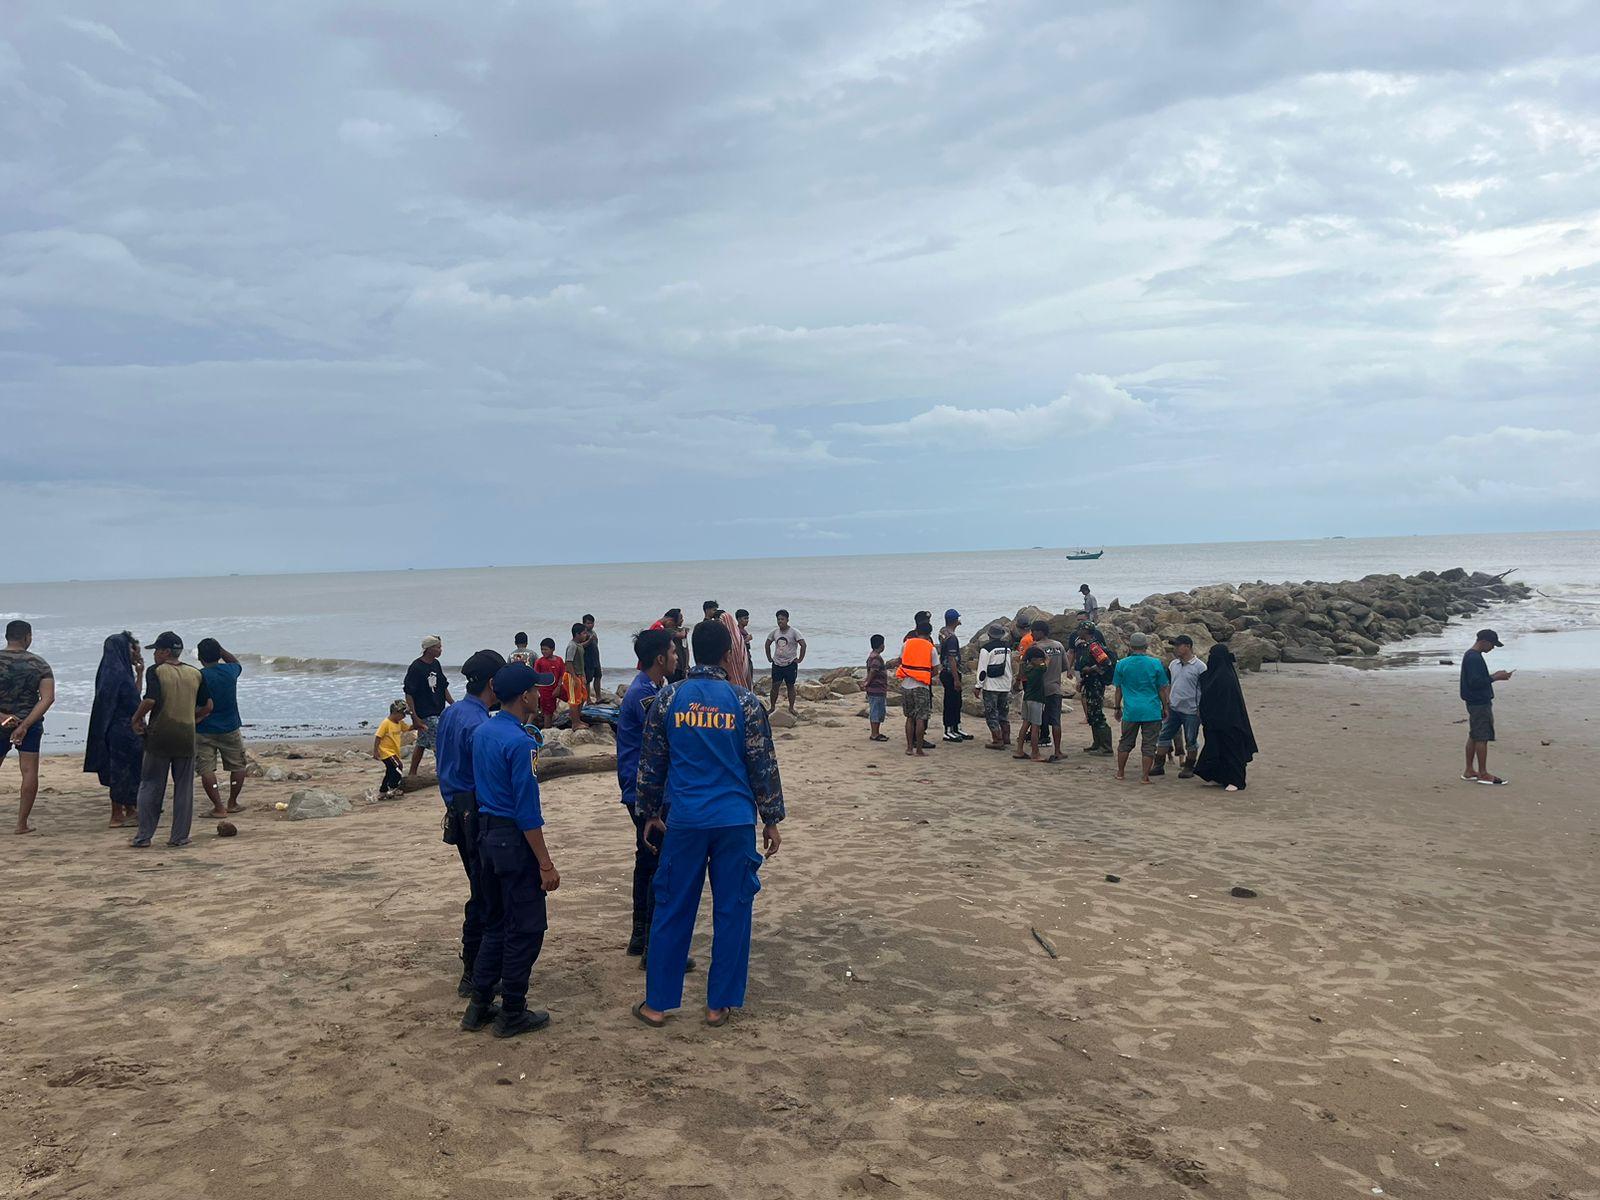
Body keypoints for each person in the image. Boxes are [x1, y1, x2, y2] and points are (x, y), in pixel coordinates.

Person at [632, 619, 784, 1030]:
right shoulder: (746, 702)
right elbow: (762, 764)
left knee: (672, 908)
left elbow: (651, 764)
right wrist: (771, 819)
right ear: (727, 654)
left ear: (692, 652)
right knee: (733, 909)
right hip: (734, 820)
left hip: (686, 820)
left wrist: (648, 812)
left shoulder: (667, 700)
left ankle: (658, 1005)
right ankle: (718, 1005)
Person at [460, 663, 561, 1039]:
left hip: (485, 836)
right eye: (536, 690)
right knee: (527, 928)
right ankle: (513, 1010)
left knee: (497, 924)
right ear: (524, 697)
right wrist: (545, 863)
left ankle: (480, 1003)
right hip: (511, 839)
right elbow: (526, 811)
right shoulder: (521, 742)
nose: (540, 695)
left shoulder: (484, 731)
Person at [616, 627, 695, 970]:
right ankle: (653, 947)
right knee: (660, 867)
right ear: (660, 659)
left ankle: (639, 937)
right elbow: (666, 740)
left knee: (646, 862)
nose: (678, 658)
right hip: (649, 791)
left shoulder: (651, 689)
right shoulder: (646, 696)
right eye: (674, 653)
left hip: (642, 788)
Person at [436, 649, 508, 995]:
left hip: (455, 808)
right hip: (474, 813)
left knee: (479, 888)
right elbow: (487, 777)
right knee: (485, 892)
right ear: (494, 683)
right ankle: (475, 973)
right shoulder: (479, 724)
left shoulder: (452, 715)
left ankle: (476, 966)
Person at [129, 631, 212, 848]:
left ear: (166, 652)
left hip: (160, 734)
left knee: (151, 785)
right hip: (186, 735)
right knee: (184, 788)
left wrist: (136, 719)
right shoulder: (195, 673)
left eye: (156, 650)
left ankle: (144, 836)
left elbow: (150, 700)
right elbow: (208, 706)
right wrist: (193, 718)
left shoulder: (157, 671)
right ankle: (179, 836)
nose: (154, 654)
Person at [1, 620, 55, 835]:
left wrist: (3, 717)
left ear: (7, 636)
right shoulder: (39, 664)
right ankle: (21, 824)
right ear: (27, 637)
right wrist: (25, 725)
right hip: (29, 724)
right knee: (29, 771)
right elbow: (48, 698)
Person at [84, 632, 144, 827]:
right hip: (124, 728)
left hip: (113, 727)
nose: (135, 651)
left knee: (119, 770)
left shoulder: (110, 670)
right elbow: (133, 700)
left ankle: (127, 810)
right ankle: (117, 815)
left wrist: (139, 672)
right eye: (132, 648)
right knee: (124, 770)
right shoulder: (119, 674)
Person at [1193, 643, 1258, 792]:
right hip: (1214, 721)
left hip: (1230, 721)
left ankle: (1236, 780)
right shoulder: (1213, 674)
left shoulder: (1226, 677)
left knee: (1232, 750)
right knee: (1216, 749)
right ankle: (1220, 776)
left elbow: (1227, 701)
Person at [195, 638, 247, 817]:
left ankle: (218, 806)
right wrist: (222, 650)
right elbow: (236, 662)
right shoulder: (230, 671)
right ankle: (232, 802)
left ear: (200, 657)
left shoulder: (198, 675)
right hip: (229, 726)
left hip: (204, 727)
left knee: (207, 769)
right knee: (237, 765)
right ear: (219, 655)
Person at [1111, 631, 1169, 784]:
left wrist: (1117, 708)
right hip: (1151, 709)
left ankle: (1120, 772)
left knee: (1125, 742)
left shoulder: (1122, 664)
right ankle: (1144, 776)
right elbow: (1162, 688)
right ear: (1146, 646)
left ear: (1130, 646)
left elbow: (1119, 689)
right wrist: (1165, 707)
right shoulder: (1155, 663)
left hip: (1131, 710)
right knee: (1149, 745)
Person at [1460, 629, 1512, 786]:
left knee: (1474, 735)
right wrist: (1495, 677)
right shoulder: (1474, 657)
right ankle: (1483, 773)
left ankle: (1469, 770)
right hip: (1479, 702)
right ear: (1484, 641)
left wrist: (1493, 677)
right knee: (1482, 736)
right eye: (1492, 645)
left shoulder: (1471, 656)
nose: (1492, 648)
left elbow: (1475, 680)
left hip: (1473, 701)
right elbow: (1475, 682)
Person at [1155, 635, 1205, 777]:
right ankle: (1158, 765)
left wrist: (1200, 709)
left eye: (1178, 645)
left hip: (1191, 710)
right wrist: (1168, 700)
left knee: (1191, 739)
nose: (1175, 648)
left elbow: (1204, 689)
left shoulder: (1200, 667)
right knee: (1164, 736)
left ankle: (1189, 767)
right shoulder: (1173, 664)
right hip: (1174, 708)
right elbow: (1169, 683)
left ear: (1188, 646)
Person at [404, 635, 452, 777]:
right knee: (439, 744)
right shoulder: (416, 667)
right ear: (429, 649)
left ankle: (412, 772)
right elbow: (409, 693)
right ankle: (442, 772)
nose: (440, 650)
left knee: (422, 743)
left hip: (438, 710)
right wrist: (414, 717)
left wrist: (453, 704)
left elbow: (443, 686)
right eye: (438, 647)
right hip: (425, 713)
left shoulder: (436, 665)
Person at [1069, 617, 1115, 756]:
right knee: (1092, 714)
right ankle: (1097, 743)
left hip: (1096, 684)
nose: (1078, 632)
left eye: (1080, 629)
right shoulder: (1086, 645)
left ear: (1085, 631)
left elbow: (1106, 662)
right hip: (1089, 683)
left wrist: (1091, 670)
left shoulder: (1094, 646)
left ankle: (1106, 747)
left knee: (1097, 714)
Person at [1029, 620, 1071, 763]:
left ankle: (1035, 751)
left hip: (1039, 690)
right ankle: (1058, 750)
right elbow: (1066, 666)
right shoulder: (1058, 646)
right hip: (1055, 688)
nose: (1031, 634)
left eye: (1033, 631)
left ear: (1040, 632)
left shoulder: (1035, 648)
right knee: (1055, 721)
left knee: (1034, 722)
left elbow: (1027, 668)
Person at [897, 614, 937, 757]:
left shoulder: (906, 643)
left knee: (909, 717)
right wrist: (924, 676)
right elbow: (935, 669)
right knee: (921, 718)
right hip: (922, 686)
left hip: (906, 685)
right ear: (929, 633)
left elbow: (901, 660)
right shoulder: (931, 647)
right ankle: (919, 749)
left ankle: (909, 748)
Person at [974, 624, 1013, 750]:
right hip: (1005, 684)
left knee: (991, 713)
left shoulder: (986, 649)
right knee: (1003, 712)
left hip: (991, 685)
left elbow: (982, 670)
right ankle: (1006, 737)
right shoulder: (1007, 648)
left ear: (989, 635)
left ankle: (997, 739)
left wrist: (978, 686)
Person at [764, 610, 805, 715]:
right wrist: (769, 657)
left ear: (787, 620)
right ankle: (772, 707)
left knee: (790, 686)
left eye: (782, 619)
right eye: (778, 619)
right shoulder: (775, 632)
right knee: (775, 686)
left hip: (790, 663)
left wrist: (800, 659)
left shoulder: (794, 632)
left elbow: (803, 644)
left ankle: (791, 708)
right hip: (777, 663)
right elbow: (767, 644)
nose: (780, 621)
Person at [938, 609, 969, 743]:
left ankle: (956, 726)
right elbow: (952, 659)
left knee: (957, 701)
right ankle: (949, 729)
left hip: (946, 671)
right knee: (951, 701)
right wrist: (956, 679)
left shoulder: (943, 631)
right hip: (950, 673)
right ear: (955, 620)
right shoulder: (952, 638)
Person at [1014, 645, 1047, 762]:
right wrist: (1044, 653)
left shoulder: (1027, 668)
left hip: (1027, 698)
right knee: (1035, 727)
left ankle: (1019, 750)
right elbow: (1047, 662)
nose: (1042, 661)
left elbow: (1023, 662)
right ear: (1034, 660)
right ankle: (1035, 753)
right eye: (1040, 659)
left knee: (1025, 724)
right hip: (1037, 700)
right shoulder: (1039, 669)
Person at [372, 700, 412, 798]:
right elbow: (378, 737)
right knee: (398, 766)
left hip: (394, 752)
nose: (404, 716)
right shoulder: (386, 723)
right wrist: (375, 751)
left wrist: (416, 720)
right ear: (395, 712)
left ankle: (383, 791)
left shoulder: (399, 723)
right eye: (403, 714)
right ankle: (393, 787)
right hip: (386, 752)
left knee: (390, 771)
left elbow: (409, 728)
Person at [563, 623, 591, 729]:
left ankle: (578, 719)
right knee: (574, 700)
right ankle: (575, 723)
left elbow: (581, 662)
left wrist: (582, 676)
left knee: (582, 697)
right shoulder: (572, 646)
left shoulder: (578, 645)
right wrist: (574, 677)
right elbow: (569, 662)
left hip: (579, 675)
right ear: (577, 634)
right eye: (583, 633)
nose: (585, 635)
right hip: (571, 676)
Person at [533, 638, 564, 728]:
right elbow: (536, 677)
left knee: (571, 698)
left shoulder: (559, 660)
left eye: (546, 649)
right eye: (542, 649)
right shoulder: (540, 662)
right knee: (548, 712)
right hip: (545, 690)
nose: (543, 652)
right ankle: (547, 729)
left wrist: (558, 687)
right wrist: (537, 692)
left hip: (557, 687)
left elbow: (562, 675)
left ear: (553, 649)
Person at [864, 635, 890, 742]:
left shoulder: (873, 656)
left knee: (879, 710)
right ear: (881, 645)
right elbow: (873, 671)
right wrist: (867, 682)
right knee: (876, 710)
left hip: (878, 688)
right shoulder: (876, 658)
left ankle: (877, 732)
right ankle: (874, 733)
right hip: (876, 689)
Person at [581, 614, 603, 700]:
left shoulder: (593, 632)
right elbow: (579, 646)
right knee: (588, 680)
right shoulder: (583, 634)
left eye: (592, 623)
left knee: (598, 677)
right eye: (588, 623)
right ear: (584, 624)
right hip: (587, 660)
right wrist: (589, 640)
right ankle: (588, 699)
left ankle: (598, 697)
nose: (590, 625)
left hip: (596, 659)